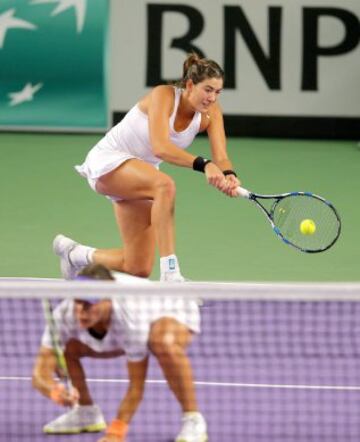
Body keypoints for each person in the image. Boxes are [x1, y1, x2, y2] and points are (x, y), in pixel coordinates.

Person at [53, 52, 240, 282]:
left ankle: (75, 255)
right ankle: (171, 273)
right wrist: (205, 165)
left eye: (218, 92)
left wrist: (229, 175)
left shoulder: (211, 113)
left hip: (140, 175)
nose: (212, 98)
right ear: (190, 85)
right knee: (165, 185)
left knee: (137, 266)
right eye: (208, 90)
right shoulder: (164, 95)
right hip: (109, 161)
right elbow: (161, 147)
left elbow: (221, 156)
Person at [32, 263, 207, 442]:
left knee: (162, 343)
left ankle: (193, 418)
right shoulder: (65, 314)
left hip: (173, 307)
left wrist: (116, 432)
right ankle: (86, 412)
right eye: (78, 301)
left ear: (108, 299)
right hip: (120, 327)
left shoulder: (130, 316)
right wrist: (54, 391)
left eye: (90, 303)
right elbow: (39, 374)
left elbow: (136, 387)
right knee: (64, 348)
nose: (82, 311)